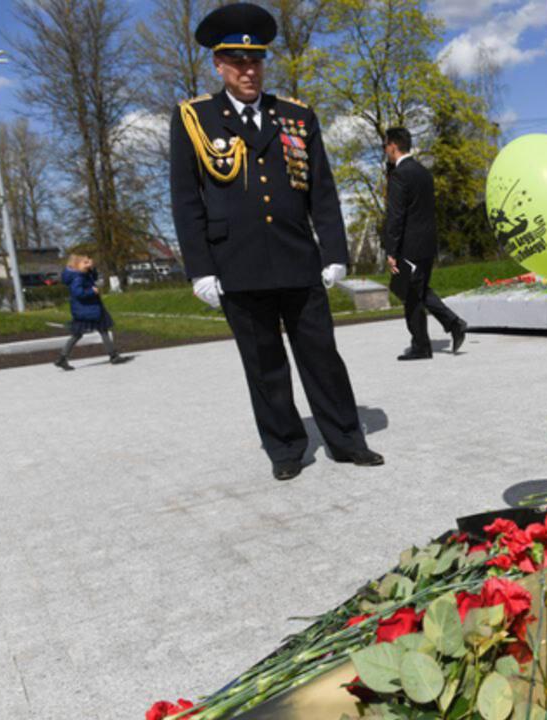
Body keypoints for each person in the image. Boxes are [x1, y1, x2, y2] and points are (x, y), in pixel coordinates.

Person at [169, 2, 382, 481]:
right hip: (236, 264)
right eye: (238, 62)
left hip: (297, 258)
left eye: (256, 61)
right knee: (264, 365)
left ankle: (347, 439)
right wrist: (200, 267)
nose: (249, 70)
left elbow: (322, 189)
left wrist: (334, 251)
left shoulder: (295, 115)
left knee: (322, 356)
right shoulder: (194, 119)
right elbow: (186, 200)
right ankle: (286, 448)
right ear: (218, 65)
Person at [382, 127, 467, 360]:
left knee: (411, 296)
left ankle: (422, 345)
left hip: (409, 247)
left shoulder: (400, 175)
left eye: (385, 146)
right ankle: (453, 324)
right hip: (427, 245)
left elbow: (396, 216)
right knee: (419, 291)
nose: (385, 151)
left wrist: (391, 250)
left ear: (393, 145)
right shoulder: (423, 172)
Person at [53, 254, 130, 370]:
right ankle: (113, 356)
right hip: (88, 309)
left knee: (86, 333)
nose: (89, 263)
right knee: (93, 332)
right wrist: (91, 291)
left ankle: (62, 358)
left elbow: (93, 277)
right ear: (76, 265)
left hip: (88, 309)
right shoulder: (78, 277)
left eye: (89, 261)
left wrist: (92, 268)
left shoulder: (83, 274)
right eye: (85, 262)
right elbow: (78, 293)